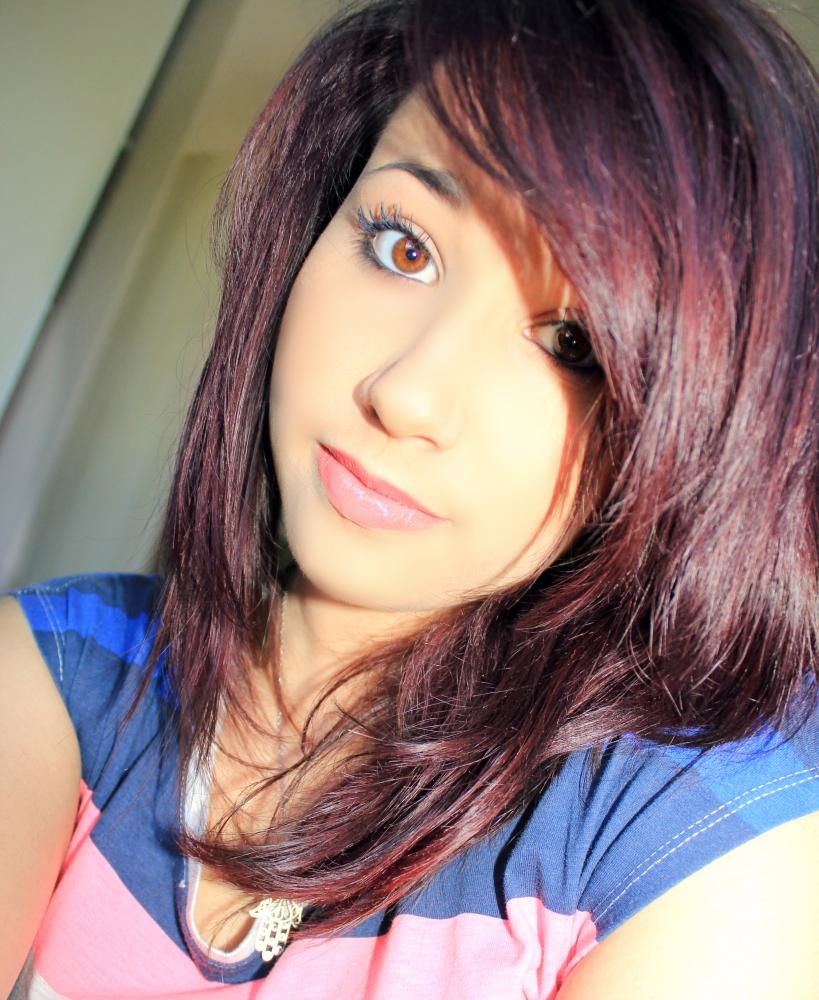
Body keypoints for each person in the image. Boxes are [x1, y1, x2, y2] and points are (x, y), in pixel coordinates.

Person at [2, 0, 818, 996]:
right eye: (404, 247)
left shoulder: (686, 826)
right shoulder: (62, 670)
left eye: (573, 345)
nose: (407, 394)